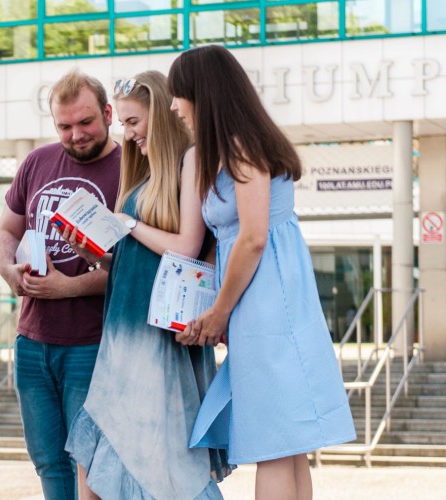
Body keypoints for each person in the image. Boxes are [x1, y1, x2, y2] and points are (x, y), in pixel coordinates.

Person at [169, 45, 356, 499]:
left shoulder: (241, 146)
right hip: (265, 304)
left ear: (204, 94)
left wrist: (218, 313)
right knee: (289, 445)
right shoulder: (229, 149)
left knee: (274, 442)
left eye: (180, 95)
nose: (175, 106)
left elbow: (252, 238)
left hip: (269, 306)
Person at [60, 71, 229, 499]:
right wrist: (90, 250)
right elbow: (133, 262)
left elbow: (186, 246)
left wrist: (128, 223)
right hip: (123, 329)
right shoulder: (145, 175)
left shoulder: (189, 163)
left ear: (163, 114)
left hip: (155, 338)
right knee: (98, 464)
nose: (129, 134)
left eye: (134, 122)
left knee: (156, 463)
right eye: (125, 124)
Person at [0, 68, 121, 500]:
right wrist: (9, 271)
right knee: (46, 459)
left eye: (85, 123)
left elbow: (138, 270)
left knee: (89, 462)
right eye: (64, 126)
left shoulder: (132, 169)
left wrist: (71, 288)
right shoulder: (38, 161)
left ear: (107, 113)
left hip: (93, 342)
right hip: (32, 339)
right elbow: (4, 231)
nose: (76, 135)